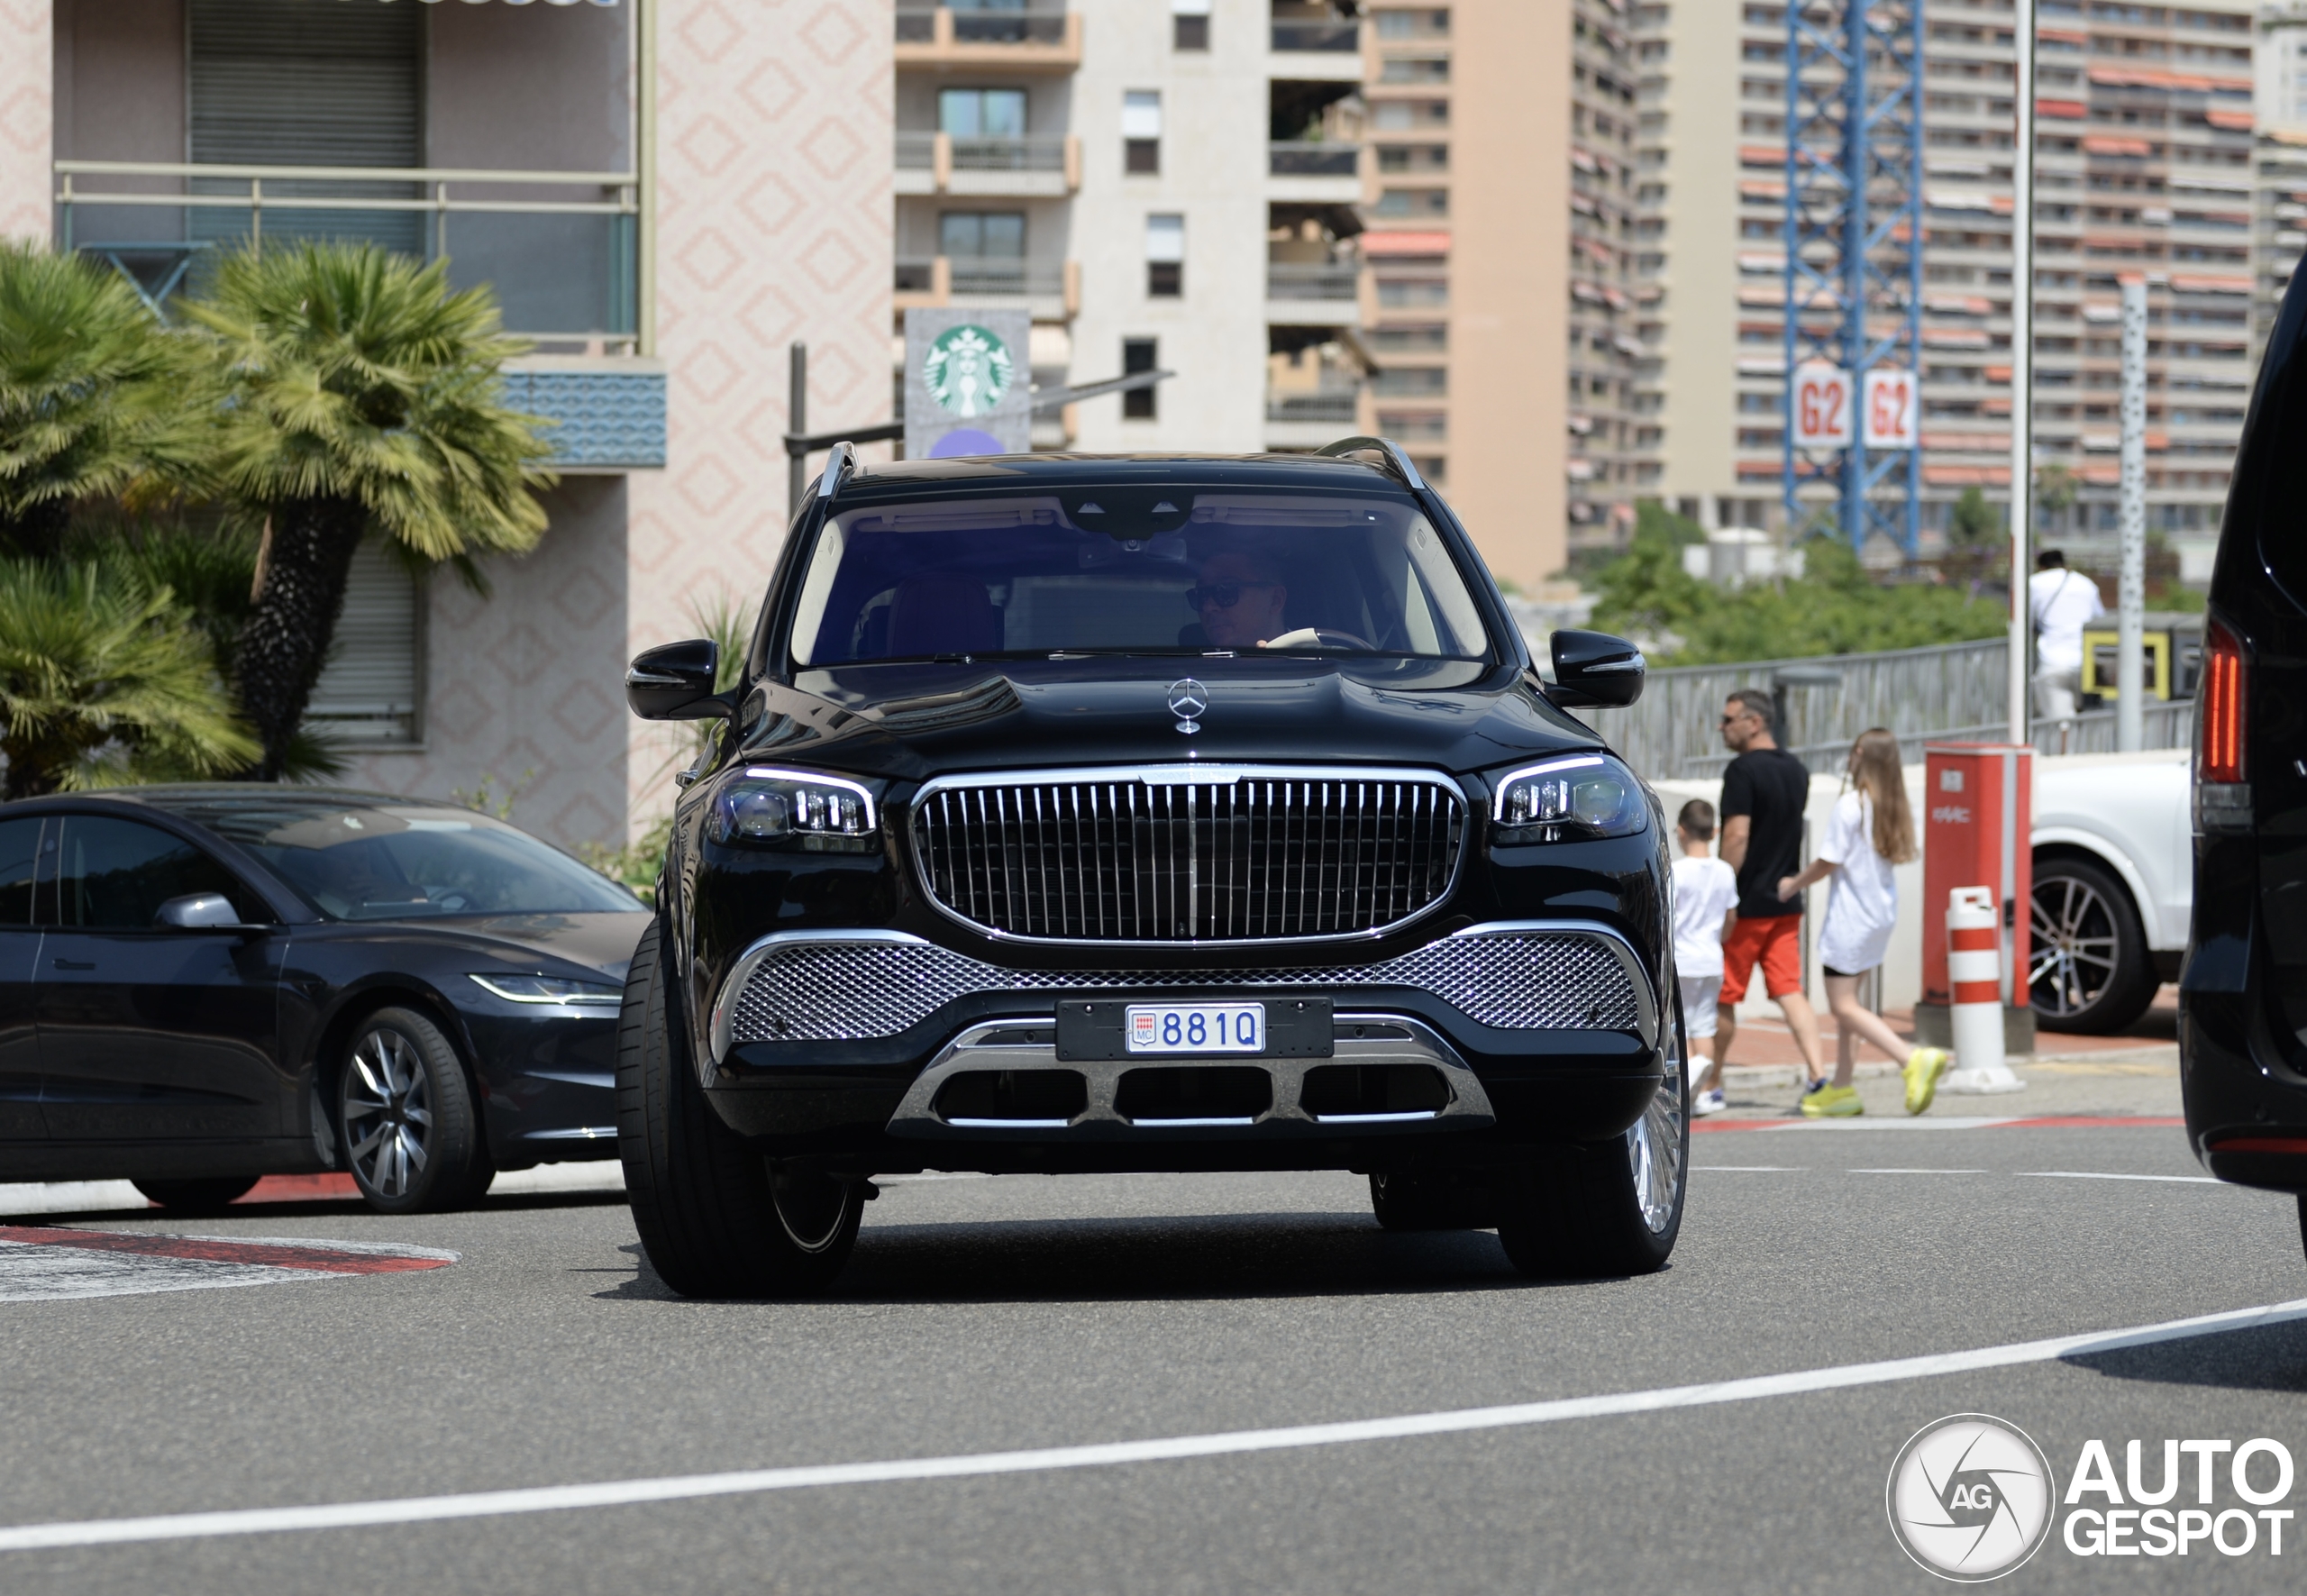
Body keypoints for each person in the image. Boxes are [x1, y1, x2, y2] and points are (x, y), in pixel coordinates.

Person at [1775, 728, 1951, 1117]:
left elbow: (1828, 861)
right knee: (1853, 1004)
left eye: (1855, 752)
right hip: (1879, 915)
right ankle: (1842, 1087)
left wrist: (1792, 885)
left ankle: (1911, 1059)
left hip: (1851, 919)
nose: (1850, 759)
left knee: (1843, 1007)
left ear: (1863, 757)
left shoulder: (1851, 805)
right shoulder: (1891, 805)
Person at [1712, 689, 1829, 1104]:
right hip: (1785, 901)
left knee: (1723, 996)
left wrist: (1723, 886)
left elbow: (1737, 834)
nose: (1722, 727)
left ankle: (1712, 1084)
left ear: (1754, 722)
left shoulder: (1742, 770)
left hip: (1745, 907)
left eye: (1729, 720)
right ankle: (1818, 1076)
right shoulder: (1797, 769)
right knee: (1789, 990)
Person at [1670, 798, 1739, 1117]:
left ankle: (1687, 1091)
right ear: (1714, 831)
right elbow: (1730, 917)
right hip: (1713, 959)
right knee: (1704, 1027)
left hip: (1683, 960)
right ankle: (1709, 1089)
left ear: (1681, 832)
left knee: (1681, 1029)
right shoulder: (1725, 871)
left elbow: (1666, 917)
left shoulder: (1677, 872)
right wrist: (1721, 939)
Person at [2029, 549, 2104, 723]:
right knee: (2088, 722)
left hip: (2053, 662)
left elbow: (2023, 620)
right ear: (2065, 564)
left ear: (2041, 567)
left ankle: (2065, 749)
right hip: (2086, 663)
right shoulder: (2086, 584)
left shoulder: (2034, 583)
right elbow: (2100, 620)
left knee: (2060, 725)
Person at [1190, 550, 1290, 650]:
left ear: (1275, 600)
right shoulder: (1191, 663)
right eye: (1202, 594)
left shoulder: (1304, 659)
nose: (1208, 607)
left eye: (1226, 591)